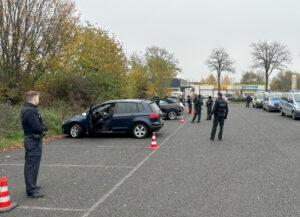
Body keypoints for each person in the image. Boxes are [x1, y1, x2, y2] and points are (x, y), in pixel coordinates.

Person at [20, 91, 48, 198]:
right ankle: (31, 190)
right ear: (34, 99)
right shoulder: (30, 112)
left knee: (33, 165)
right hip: (33, 141)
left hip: (32, 140)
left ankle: (32, 185)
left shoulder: (28, 110)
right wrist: (45, 127)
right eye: (38, 98)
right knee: (31, 165)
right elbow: (37, 127)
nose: (38, 100)